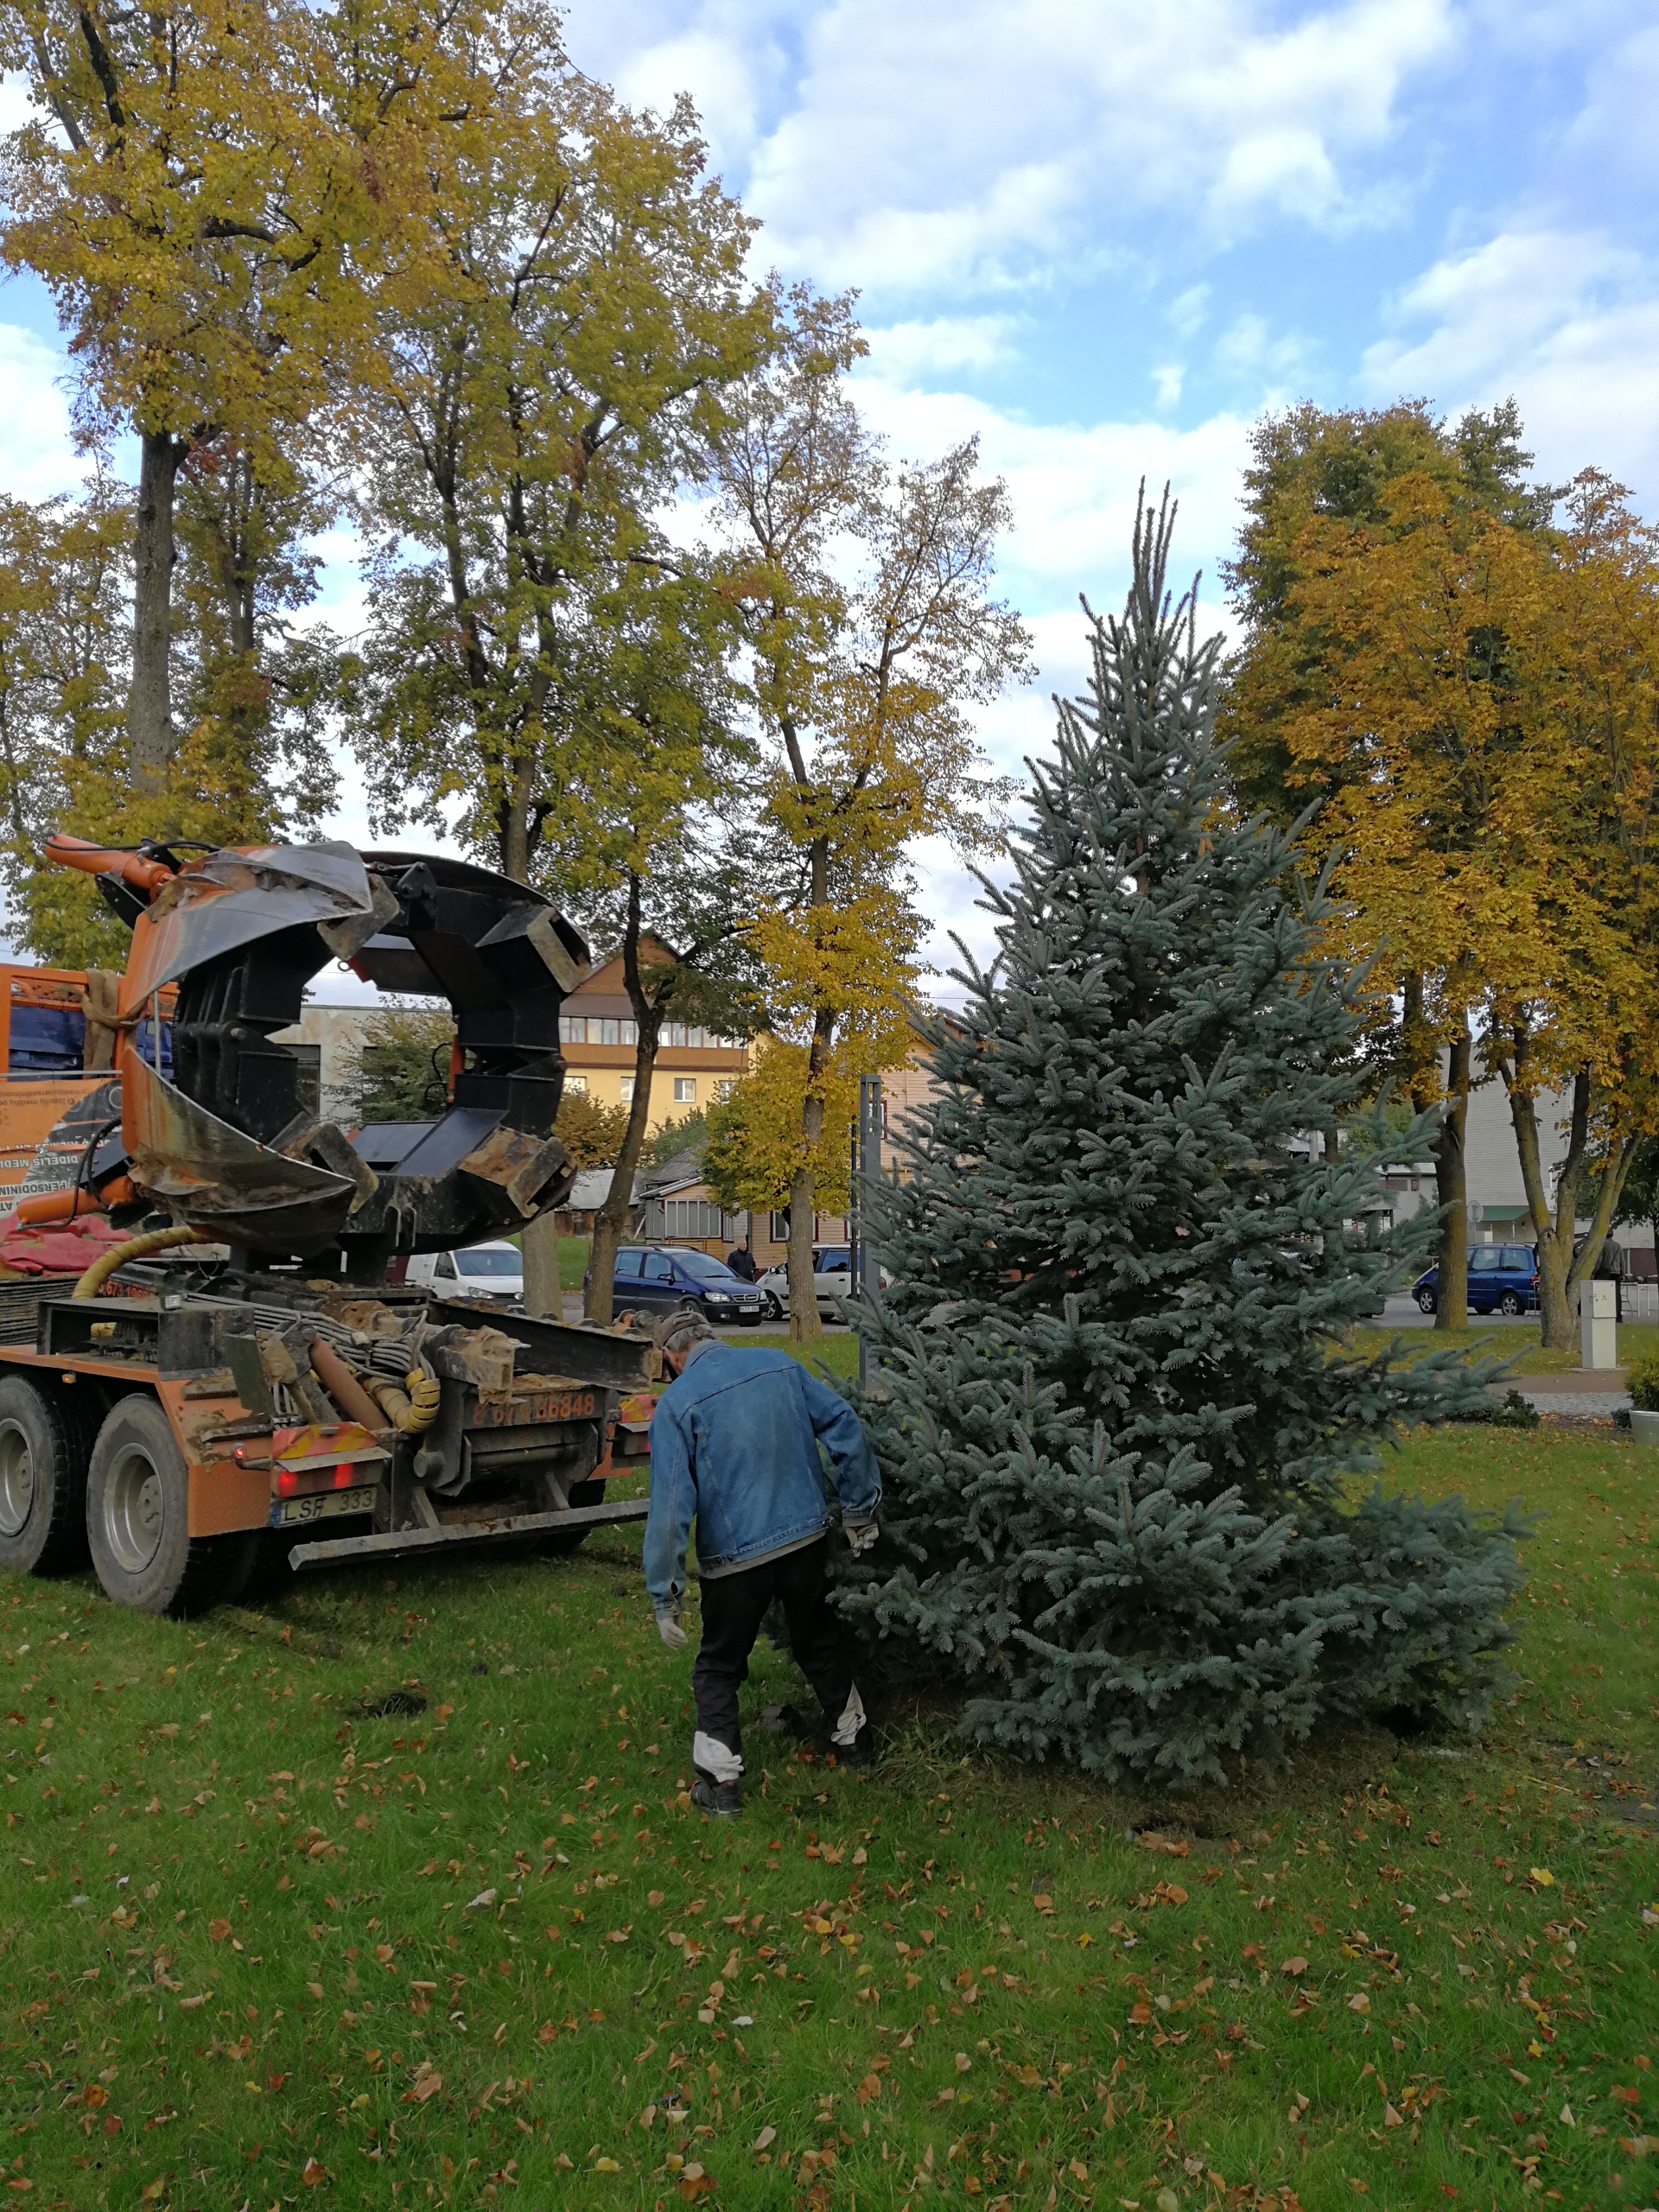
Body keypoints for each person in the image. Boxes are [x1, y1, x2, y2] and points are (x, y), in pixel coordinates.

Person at [643, 1310, 880, 1816]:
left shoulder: (677, 1405)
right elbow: (844, 1422)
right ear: (712, 1337)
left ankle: (721, 1786)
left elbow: (669, 1509)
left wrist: (665, 1597)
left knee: (719, 1665)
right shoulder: (779, 1366)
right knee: (818, 1636)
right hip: (806, 1542)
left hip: (735, 1564)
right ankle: (854, 1743)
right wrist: (859, 1509)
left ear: (670, 1356)